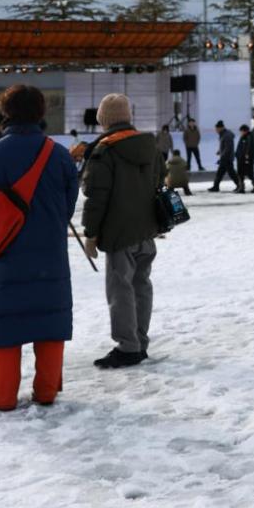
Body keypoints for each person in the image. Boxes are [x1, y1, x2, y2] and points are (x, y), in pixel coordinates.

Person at [0, 84, 80, 410]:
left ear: (6, 113)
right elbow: (67, 207)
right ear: (40, 112)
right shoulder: (60, 155)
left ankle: (4, 398)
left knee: (3, 328)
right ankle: (47, 392)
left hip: (2, 259)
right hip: (50, 258)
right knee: (49, 323)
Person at [80, 92, 161, 370]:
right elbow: (158, 183)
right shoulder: (149, 145)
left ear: (104, 120)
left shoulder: (105, 150)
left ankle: (128, 347)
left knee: (120, 290)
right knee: (141, 285)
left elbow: (96, 197)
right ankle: (139, 341)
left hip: (118, 233)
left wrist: (91, 233)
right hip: (146, 230)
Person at [209, 120, 236, 192]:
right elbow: (224, 146)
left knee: (231, 173)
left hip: (227, 158)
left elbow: (228, 148)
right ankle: (216, 186)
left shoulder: (227, 135)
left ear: (220, 128)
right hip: (225, 157)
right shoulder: (223, 134)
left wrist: (223, 155)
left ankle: (239, 185)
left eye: (216, 129)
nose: (216, 130)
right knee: (220, 173)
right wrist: (219, 151)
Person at [235, 124, 254, 193]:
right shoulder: (243, 137)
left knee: (249, 174)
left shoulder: (249, 137)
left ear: (245, 131)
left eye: (242, 131)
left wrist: (247, 155)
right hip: (240, 158)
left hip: (245, 159)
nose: (241, 132)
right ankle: (241, 187)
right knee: (240, 174)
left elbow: (248, 147)